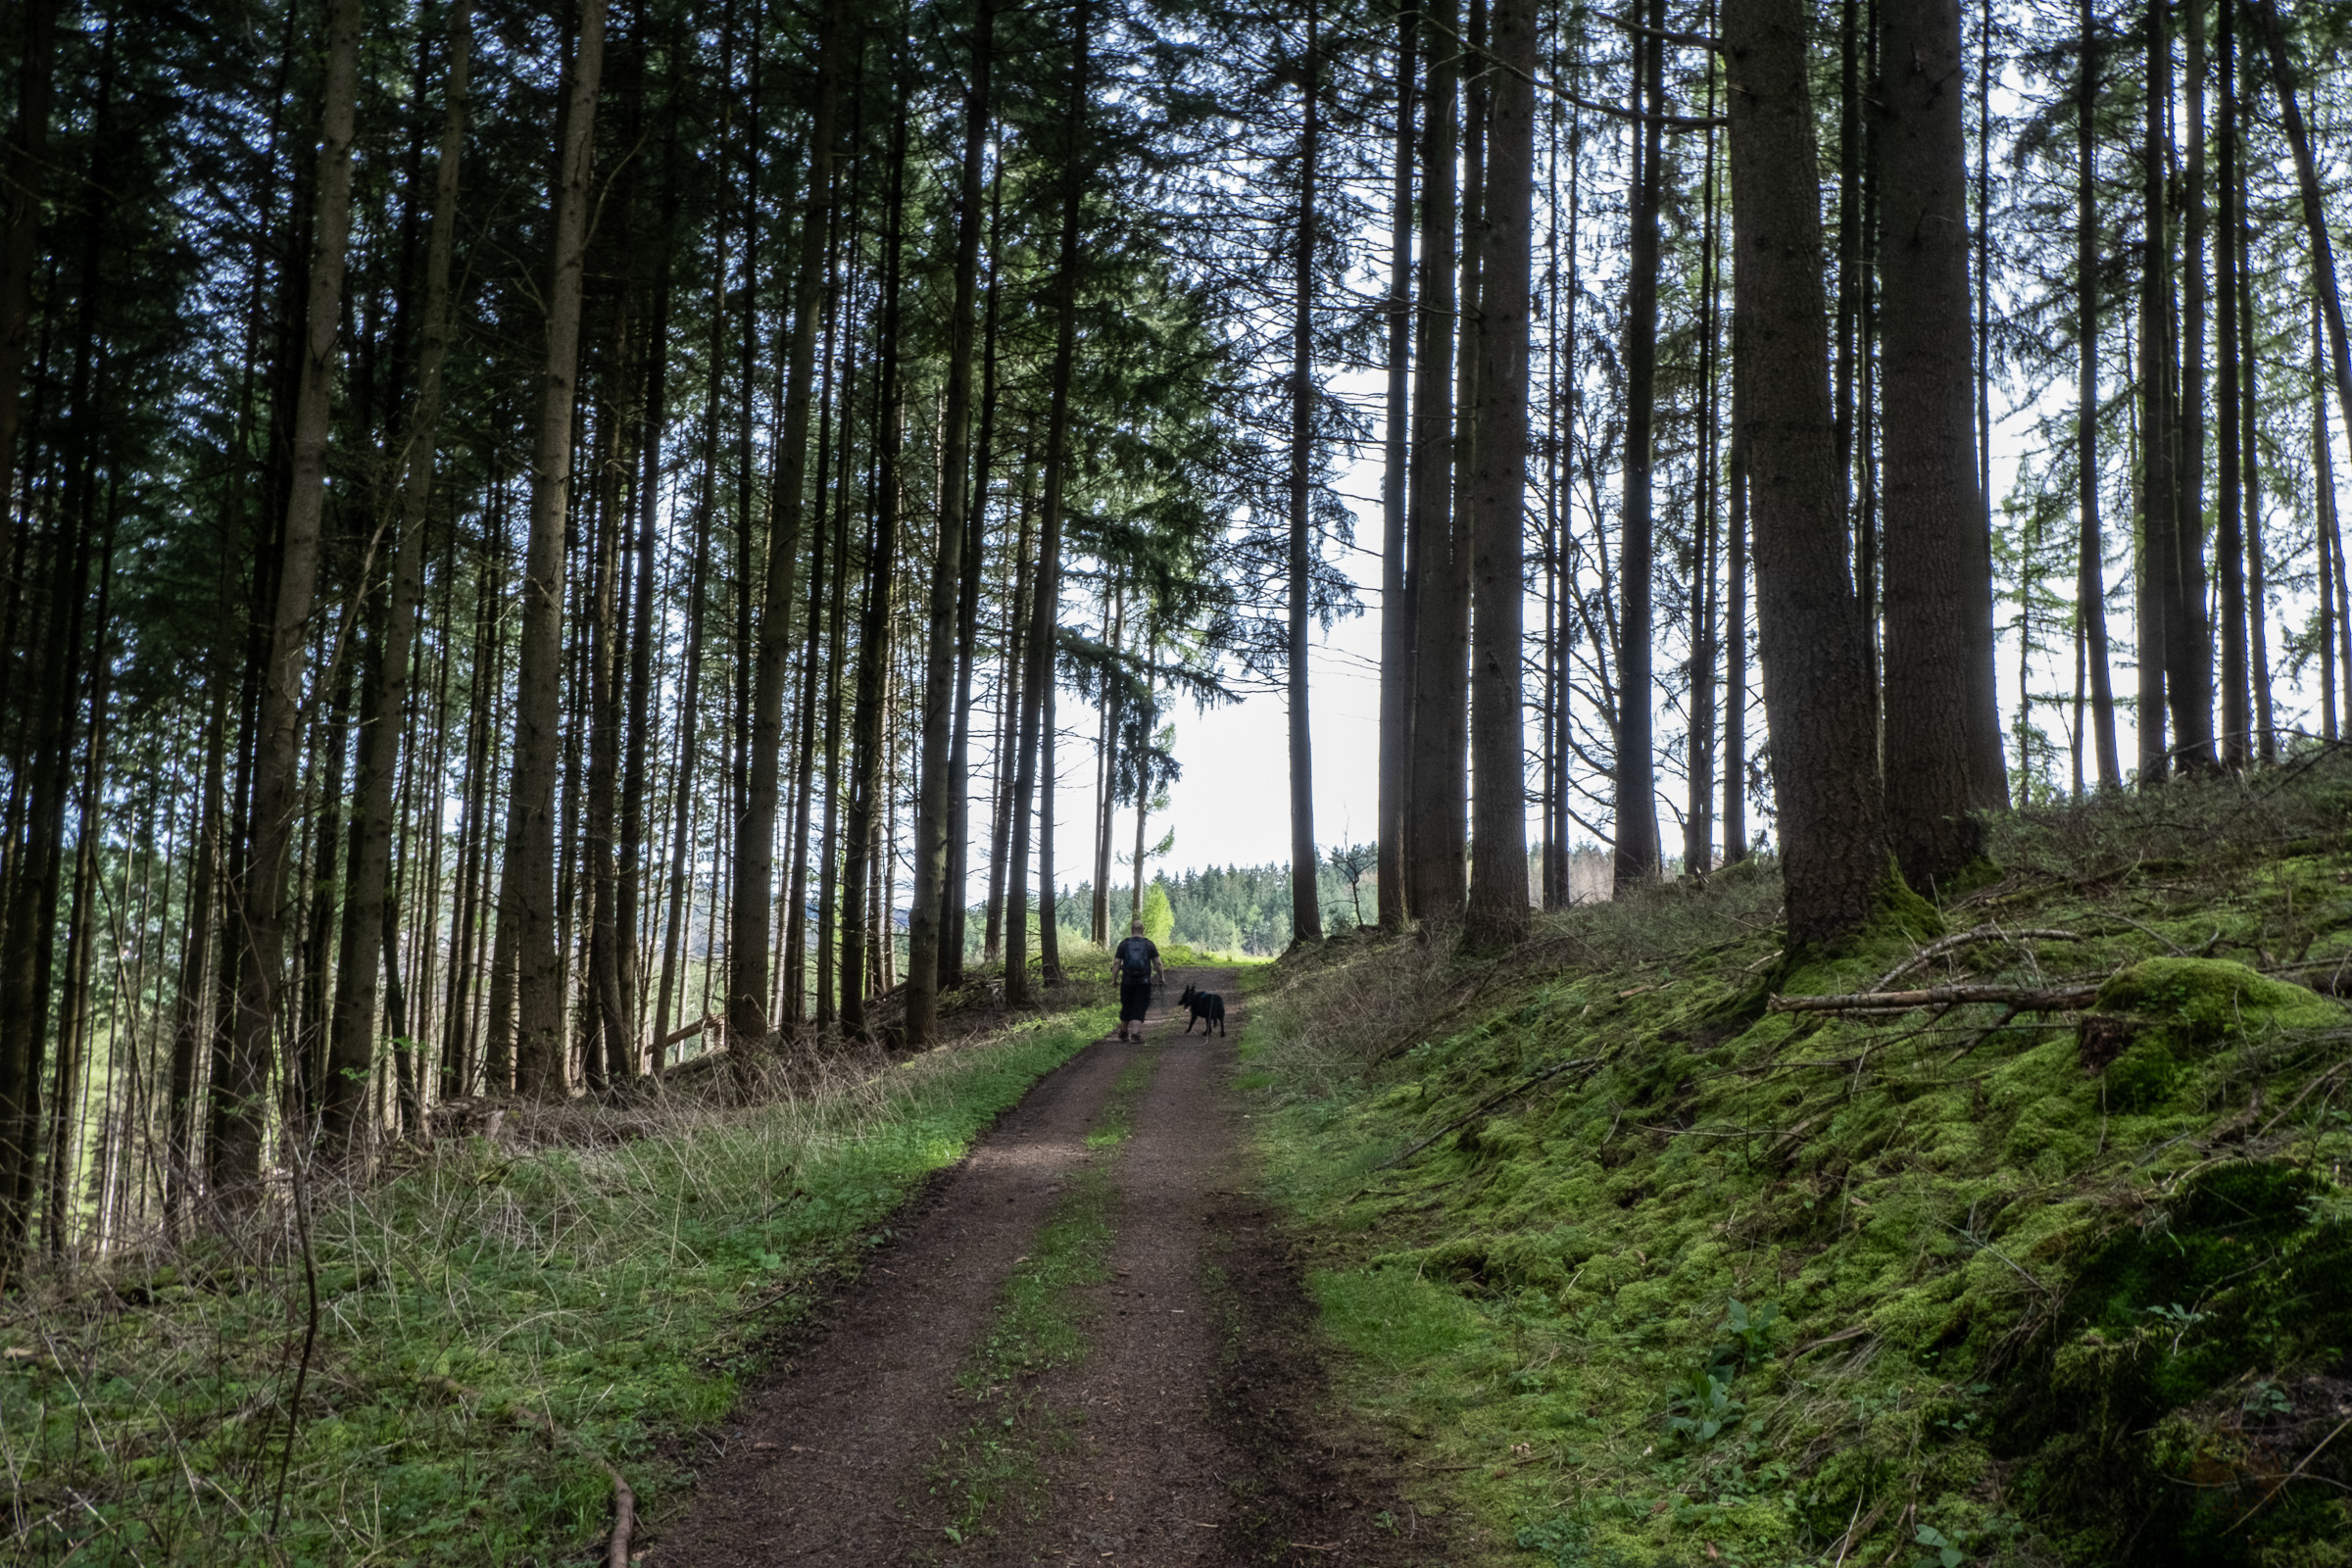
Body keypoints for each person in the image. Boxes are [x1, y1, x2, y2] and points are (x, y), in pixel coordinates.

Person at [1110, 919, 1163, 1043]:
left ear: (1131, 930)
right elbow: (1158, 964)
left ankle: (1123, 1033)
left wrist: (1114, 979)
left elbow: (1117, 963)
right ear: (1142, 930)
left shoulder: (1124, 944)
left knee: (1127, 1005)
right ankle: (1135, 1035)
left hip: (1127, 981)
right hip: (1143, 982)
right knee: (1139, 1006)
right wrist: (1162, 978)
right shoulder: (1149, 944)